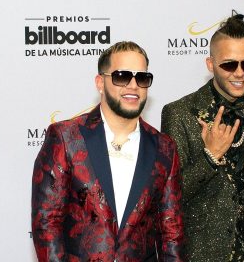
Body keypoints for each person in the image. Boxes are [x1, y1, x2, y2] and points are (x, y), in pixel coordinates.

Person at [32, 41, 184, 261]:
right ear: (100, 83)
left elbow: (172, 233)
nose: (133, 86)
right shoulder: (67, 138)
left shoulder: (164, 148)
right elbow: (47, 223)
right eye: (122, 76)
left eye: (142, 78)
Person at [161, 13, 244, 262]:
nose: (240, 73)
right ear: (210, 64)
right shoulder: (181, 114)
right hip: (204, 253)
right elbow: (172, 196)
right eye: (229, 64)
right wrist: (209, 157)